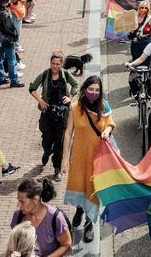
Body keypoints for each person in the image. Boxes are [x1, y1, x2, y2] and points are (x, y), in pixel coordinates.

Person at [62, 76, 115, 244]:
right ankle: (79, 209)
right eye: (91, 89)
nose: (93, 93)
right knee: (80, 185)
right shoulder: (75, 108)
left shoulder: (104, 106)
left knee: (93, 190)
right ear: (84, 89)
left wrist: (107, 130)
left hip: (98, 158)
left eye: (97, 90)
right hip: (79, 157)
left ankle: (89, 224)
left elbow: (110, 123)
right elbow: (68, 133)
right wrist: (65, 159)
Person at [28, 52, 79, 182]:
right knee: (46, 138)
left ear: (61, 64)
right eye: (53, 63)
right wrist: (40, 100)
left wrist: (70, 97)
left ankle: (57, 169)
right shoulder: (45, 74)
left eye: (57, 64)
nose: (55, 66)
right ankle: (46, 151)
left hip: (62, 113)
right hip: (47, 111)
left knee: (60, 141)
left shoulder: (66, 74)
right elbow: (32, 88)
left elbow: (76, 85)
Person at [11, 179, 71, 257]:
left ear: (36, 200)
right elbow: (13, 243)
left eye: (22, 202)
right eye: (18, 201)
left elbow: (66, 244)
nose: (18, 205)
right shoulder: (18, 215)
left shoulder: (56, 218)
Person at [0, 0, 24, 88]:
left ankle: (0, 78)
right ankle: (14, 80)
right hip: (7, 40)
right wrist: (14, 38)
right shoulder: (5, 14)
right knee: (11, 60)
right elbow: (9, 28)